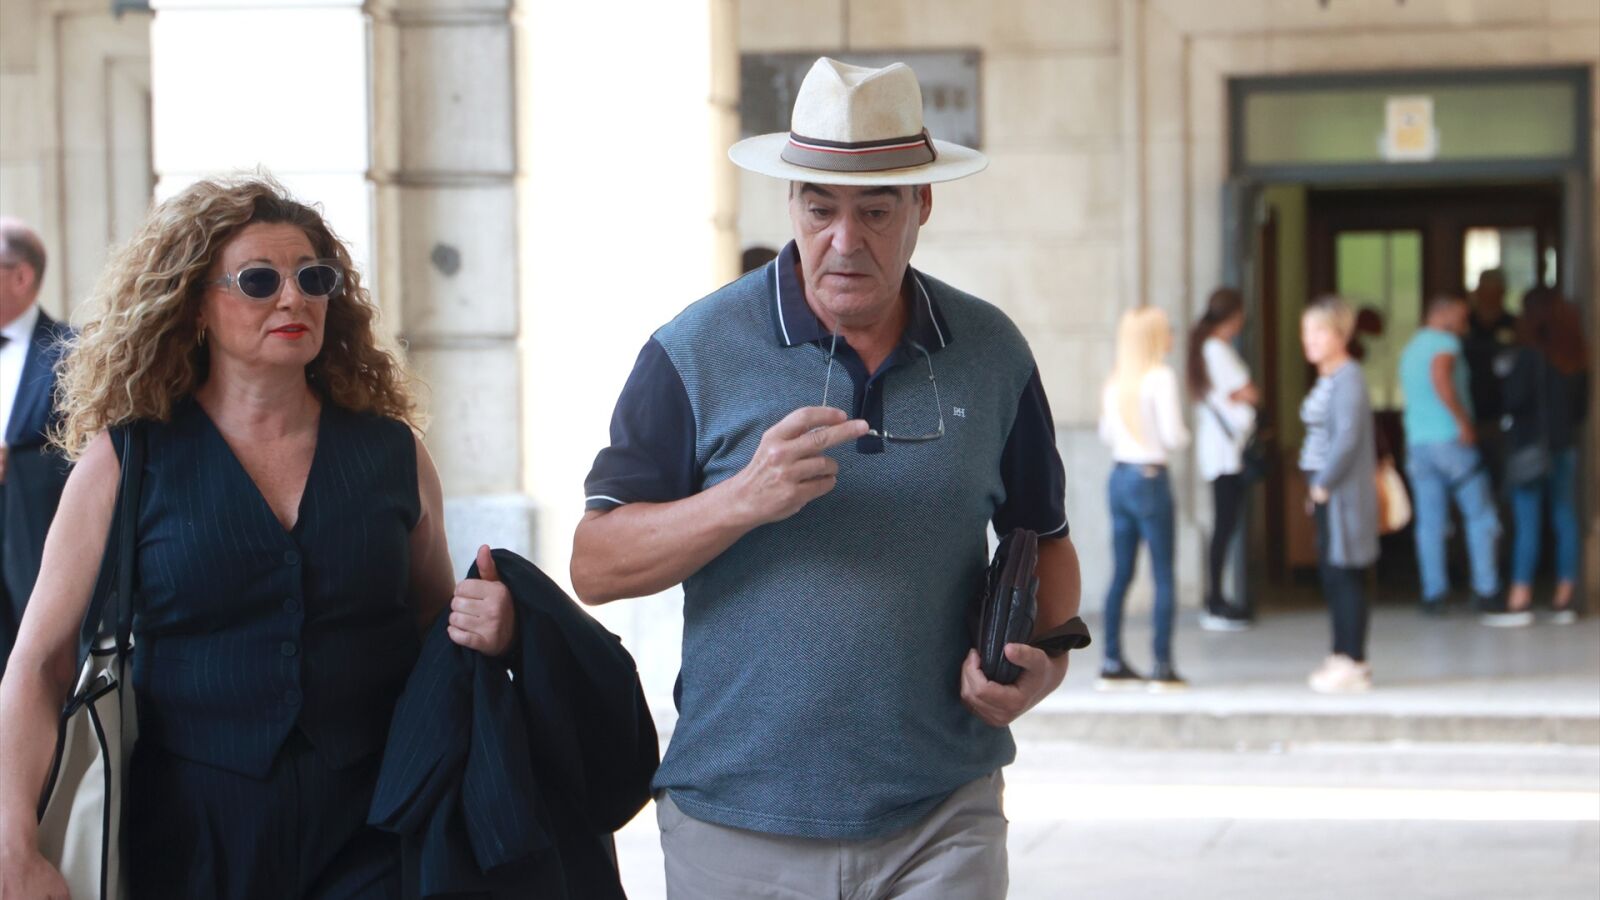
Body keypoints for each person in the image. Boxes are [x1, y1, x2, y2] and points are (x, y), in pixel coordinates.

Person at [571, 58, 1080, 898]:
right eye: (821, 208)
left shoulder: (993, 353)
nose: (845, 241)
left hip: (942, 815)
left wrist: (1041, 667)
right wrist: (741, 499)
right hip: (738, 822)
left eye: (875, 210)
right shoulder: (692, 351)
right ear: (792, 203)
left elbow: (1045, 542)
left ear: (922, 205)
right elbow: (595, 565)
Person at [0, 176, 515, 899]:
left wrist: (492, 627)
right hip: (189, 836)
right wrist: (12, 845)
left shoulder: (392, 453)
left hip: (380, 819)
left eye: (313, 278)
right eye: (259, 280)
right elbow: (38, 665)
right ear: (195, 305)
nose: (293, 298)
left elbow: (436, 623)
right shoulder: (126, 460)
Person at [1098, 306, 1191, 691]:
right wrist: (1186, 436)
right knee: (1163, 573)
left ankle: (1111, 661)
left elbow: (1106, 434)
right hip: (1150, 477)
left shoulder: (1116, 380)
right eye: (1166, 330)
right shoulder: (1161, 377)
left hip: (1119, 476)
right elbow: (1173, 436)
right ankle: (1162, 665)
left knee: (1121, 573)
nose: (1171, 337)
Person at [1397, 293, 1500, 616]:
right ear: (1442, 315)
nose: (1465, 324)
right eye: (1461, 317)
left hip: (1418, 444)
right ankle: (1486, 589)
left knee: (1430, 523)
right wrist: (1463, 422)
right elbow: (1441, 379)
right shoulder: (1445, 343)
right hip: (1450, 441)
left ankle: (1434, 593)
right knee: (1480, 515)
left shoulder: (1411, 347)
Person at [0, 219, 72, 677]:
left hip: (37, 565)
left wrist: (18, 462)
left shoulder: (74, 353)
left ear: (21, 276)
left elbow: (90, 455)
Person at [1495, 287, 1590, 626]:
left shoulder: (1527, 356)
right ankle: (1565, 598)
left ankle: (1520, 596)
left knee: (1528, 523)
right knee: (1565, 518)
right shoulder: (1576, 356)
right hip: (1565, 447)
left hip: (1530, 448)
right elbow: (1581, 410)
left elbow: (1513, 401)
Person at [1299, 296, 1379, 693]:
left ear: (1341, 334)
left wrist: (1323, 483)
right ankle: (1340, 653)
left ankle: (1353, 660)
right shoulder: (1329, 377)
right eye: (1306, 331)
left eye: (1320, 331)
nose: (1310, 340)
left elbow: (1347, 439)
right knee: (1333, 574)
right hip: (1326, 491)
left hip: (1341, 493)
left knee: (1346, 573)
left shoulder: (1349, 377)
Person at [1186, 287, 1257, 631]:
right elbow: (1247, 391)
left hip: (1220, 449)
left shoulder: (1207, 347)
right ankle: (1215, 600)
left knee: (1224, 525)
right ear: (1234, 316)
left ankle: (1216, 598)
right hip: (1225, 452)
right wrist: (1247, 395)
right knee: (1225, 525)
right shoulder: (1216, 349)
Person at [1463, 269, 1518, 487]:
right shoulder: (1466, 324)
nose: (1489, 297)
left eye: (1495, 292)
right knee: (1470, 481)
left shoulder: (1513, 324)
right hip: (1468, 414)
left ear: (1502, 293)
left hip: (1503, 416)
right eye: (1485, 291)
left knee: (1503, 479)